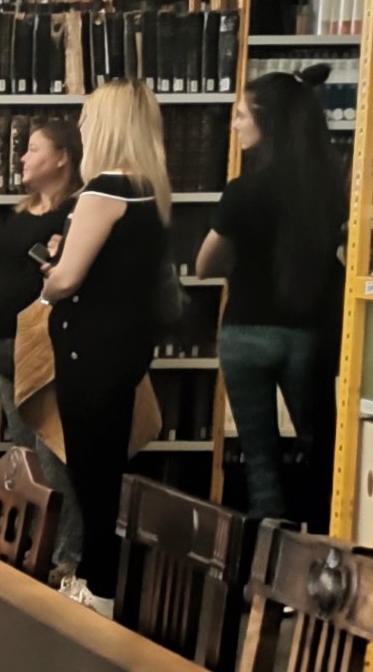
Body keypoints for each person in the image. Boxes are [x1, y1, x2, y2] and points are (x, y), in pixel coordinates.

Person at [39, 79, 171, 615]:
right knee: (106, 469)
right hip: (125, 347)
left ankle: (95, 586)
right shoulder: (149, 190)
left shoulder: (105, 189)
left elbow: (68, 280)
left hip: (86, 352)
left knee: (89, 473)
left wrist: (50, 276)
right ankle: (102, 582)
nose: (83, 126)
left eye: (89, 117)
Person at [197, 65, 347, 524]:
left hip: (245, 332)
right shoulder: (332, 188)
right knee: (323, 449)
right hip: (308, 333)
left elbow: (205, 265)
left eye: (241, 115)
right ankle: (324, 553)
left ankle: (265, 571)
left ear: (267, 122)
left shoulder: (243, 190)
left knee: (260, 465)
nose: (236, 123)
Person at [0, 118, 84, 567]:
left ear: (62, 158)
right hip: (1, 347)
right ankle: (30, 547)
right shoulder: (19, 213)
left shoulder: (73, 215)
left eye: (34, 149)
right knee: (23, 456)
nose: (23, 158)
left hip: (38, 347)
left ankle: (67, 557)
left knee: (51, 455)